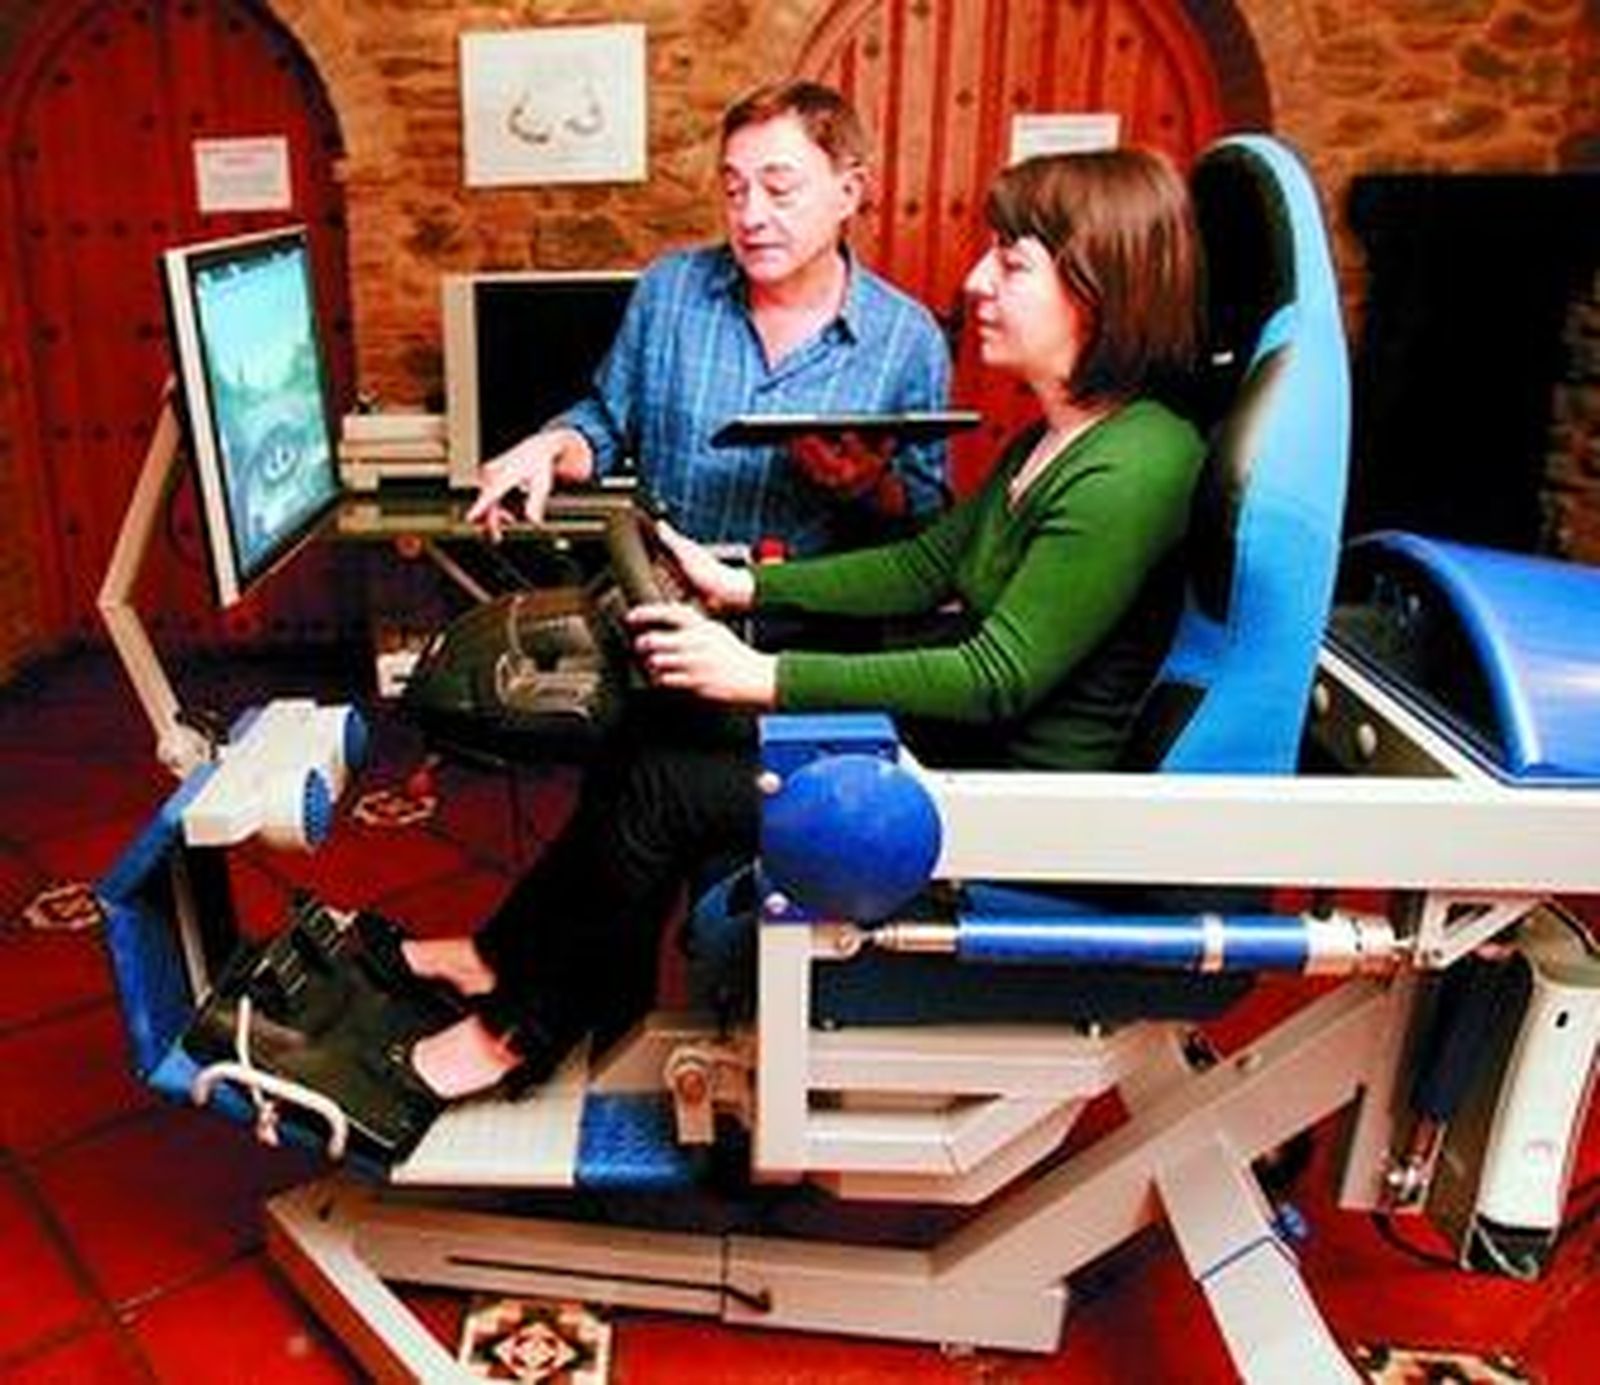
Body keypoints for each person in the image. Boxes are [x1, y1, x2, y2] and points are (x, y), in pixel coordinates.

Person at [406, 146, 1206, 1098]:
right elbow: (924, 566)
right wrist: (746, 592)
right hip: (949, 750)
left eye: (1012, 262)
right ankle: (507, 959)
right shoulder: (1062, 436)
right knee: (654, 720)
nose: (975, 281)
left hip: (987, 796)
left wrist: (764, 678)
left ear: (1102, 287)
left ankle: (517, 1032)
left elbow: (998, 674)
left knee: (664, 785)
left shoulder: (1135, 465)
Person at [467, 80, 952, 558]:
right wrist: (551, 446)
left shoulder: (908, 340)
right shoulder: (668, 290)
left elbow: (924, 524)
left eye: (779, 190)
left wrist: (864, 487)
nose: (750, 215)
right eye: (734, 190)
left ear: (848, 192)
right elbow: (609, 424)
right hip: (666, 609)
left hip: (818, 632)